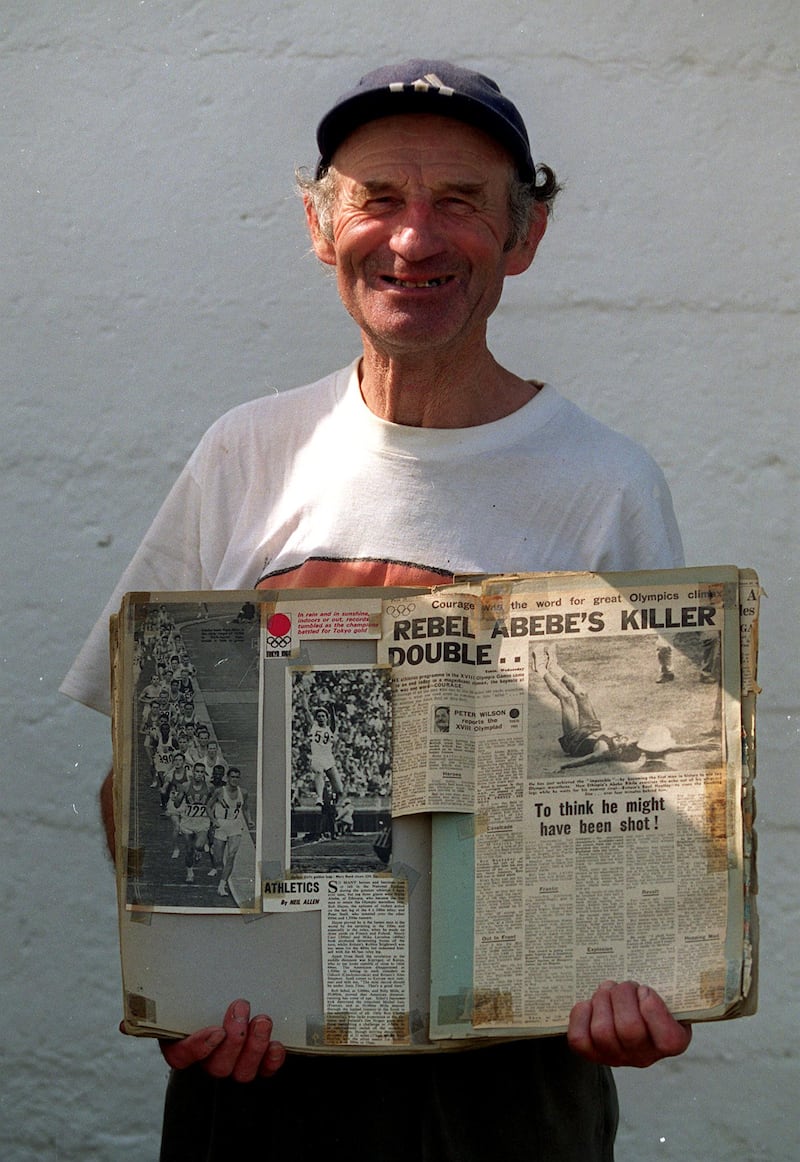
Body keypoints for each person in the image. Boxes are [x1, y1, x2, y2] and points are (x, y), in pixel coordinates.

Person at [62, 59, 691, 1161]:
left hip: (509, 1093)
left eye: (458, 202)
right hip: (263, 1071)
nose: (413, 240)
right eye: (377, 200)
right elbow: (142, 766)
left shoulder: (604, 483)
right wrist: (187, 972)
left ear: (523, 234)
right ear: (319, 224)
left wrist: (640, 980)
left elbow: (647, 820)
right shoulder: (246, 452)